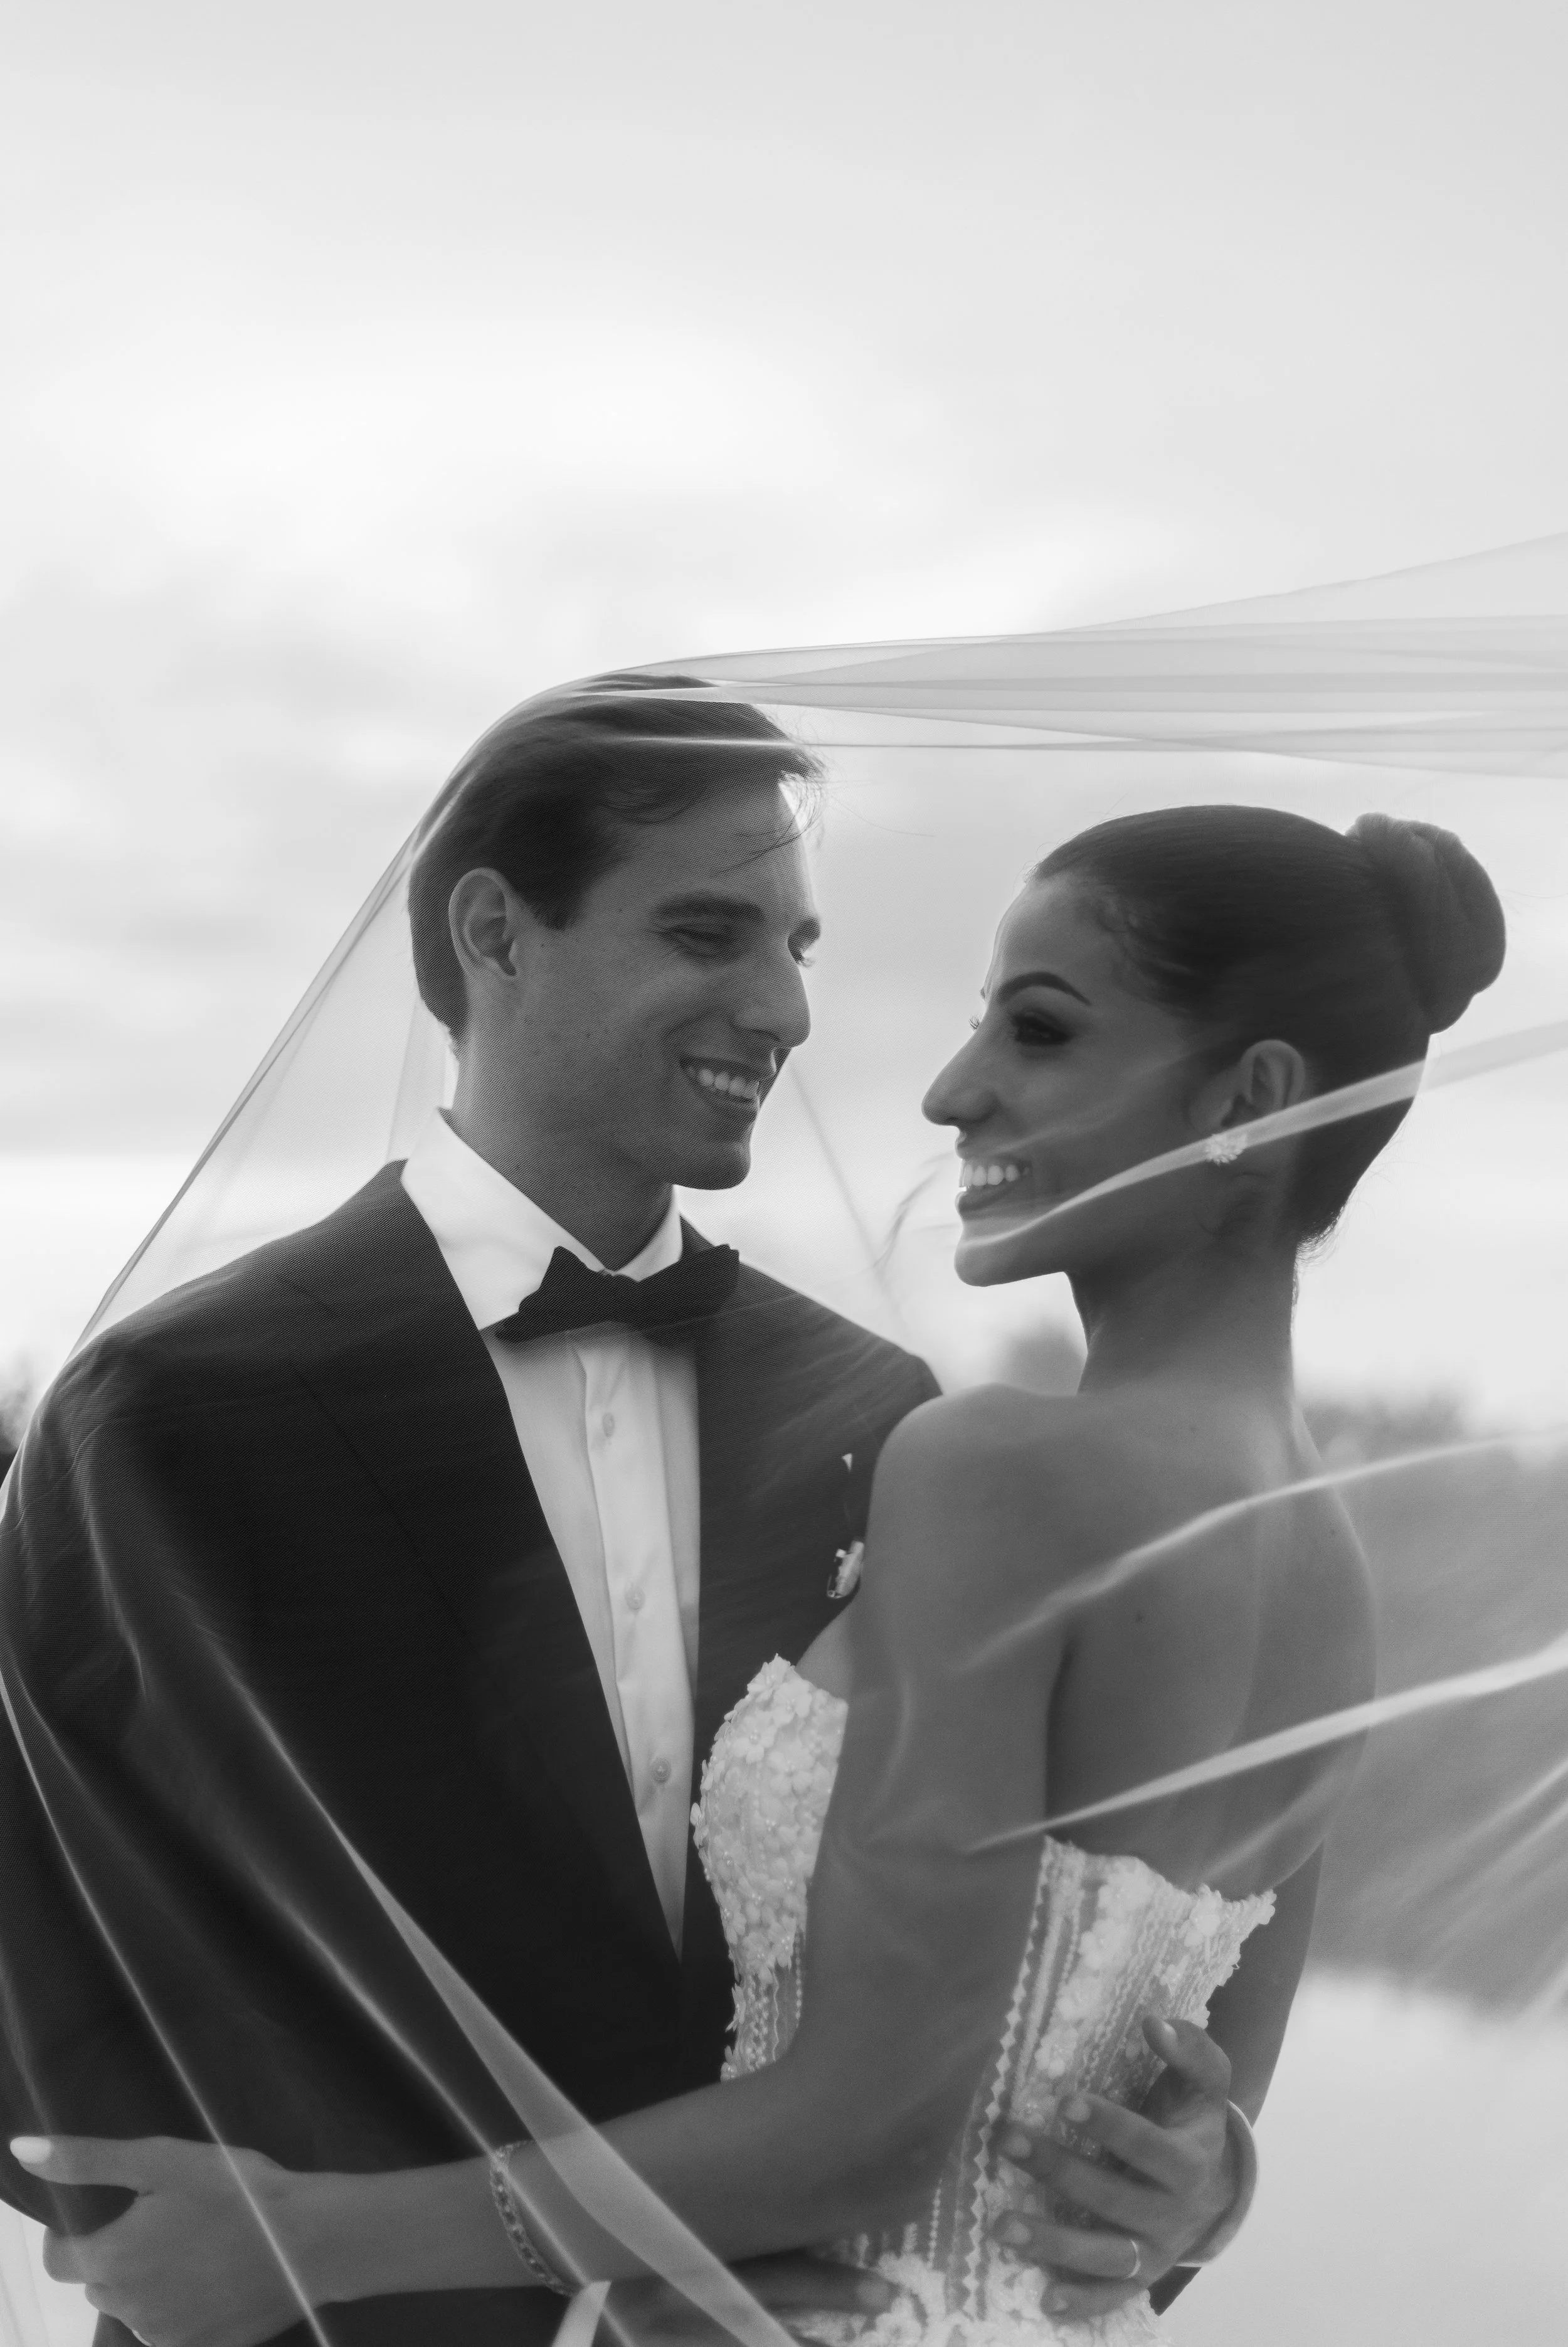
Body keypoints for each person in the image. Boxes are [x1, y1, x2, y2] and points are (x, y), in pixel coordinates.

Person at [13, 799, 1508, 2346]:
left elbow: (871, 2122)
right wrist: (1214, 2181)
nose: (948, 1092)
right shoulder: (1333, 1568)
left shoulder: (970, 1461)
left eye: (1039, 1032)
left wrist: (312, 2245)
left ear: (1250, 1098)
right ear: (491, 938)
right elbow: (1196, 2092)